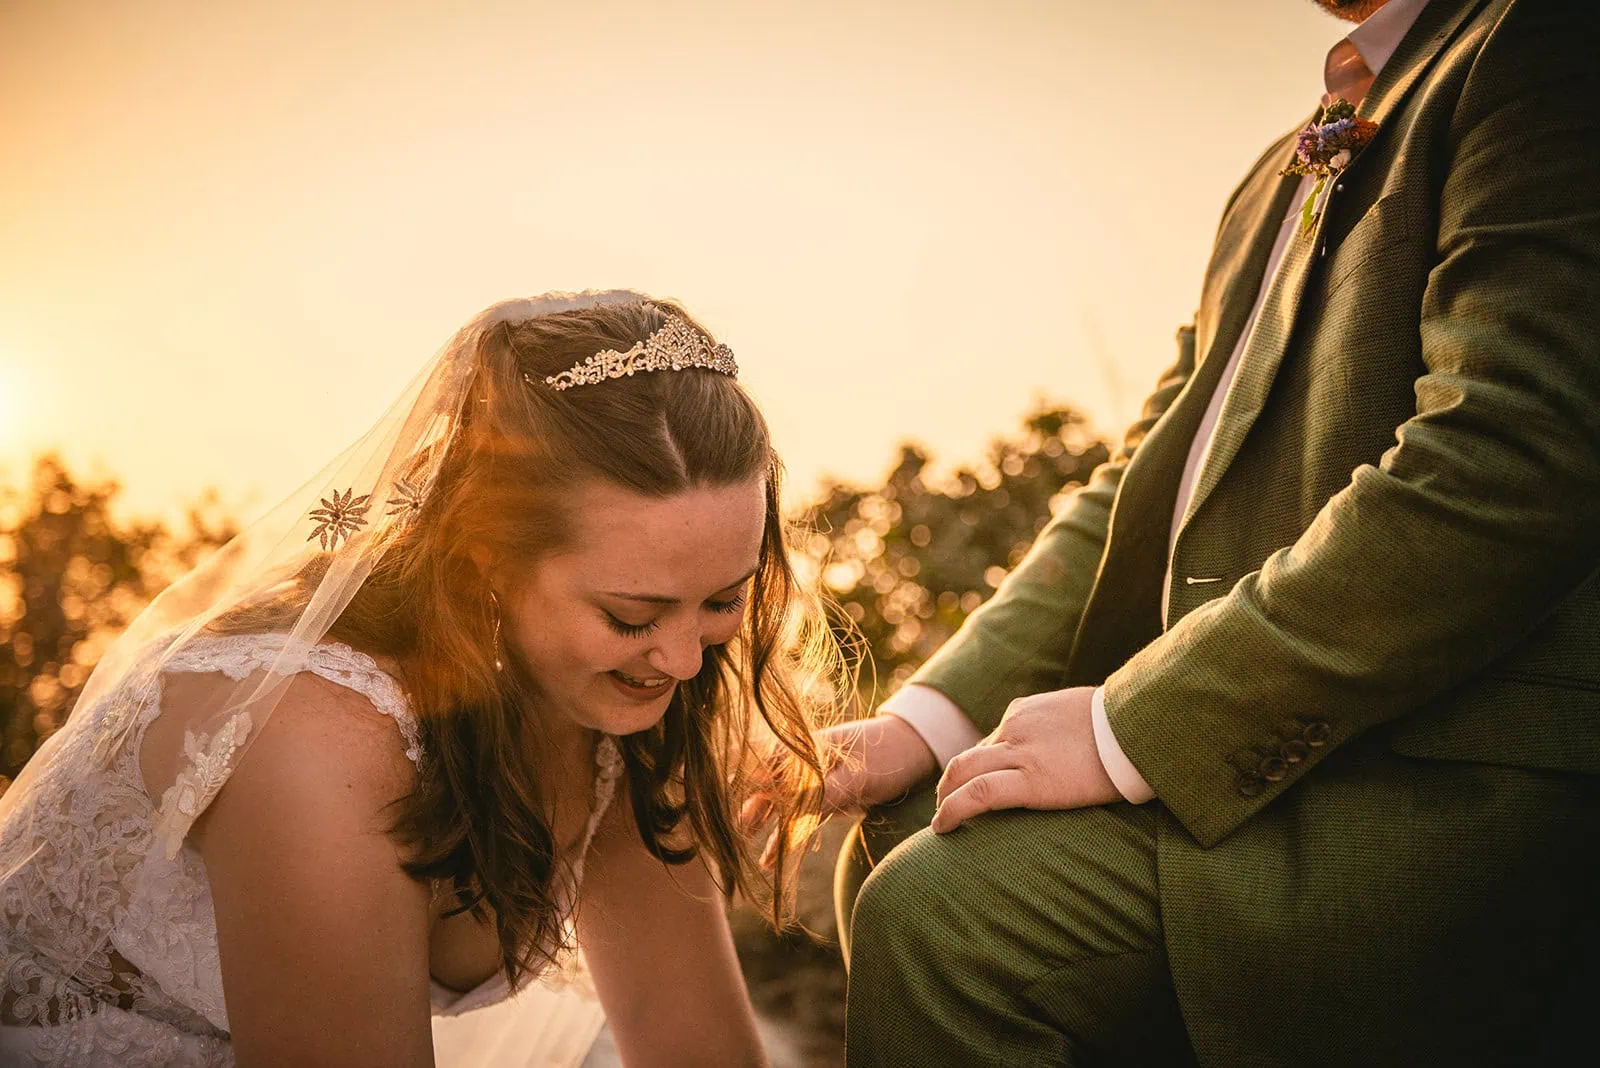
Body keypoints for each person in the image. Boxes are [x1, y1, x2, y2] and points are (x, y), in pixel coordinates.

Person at [784, 0, 1600, 1063]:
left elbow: (1511, 458)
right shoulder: (1276, 169)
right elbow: (1139, 483)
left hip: (1445, 787)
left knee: (948, 918)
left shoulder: (1544, 48)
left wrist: (1134, 726)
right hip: (1302, 769)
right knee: (898, 830)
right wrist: (929, 718)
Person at [0, 291, 842, 1067]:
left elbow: (692, 1045)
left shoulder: (616, 708)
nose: (686, 661)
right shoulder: (313, 733)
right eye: (631, 615)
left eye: (724, 600)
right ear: (487, 556)